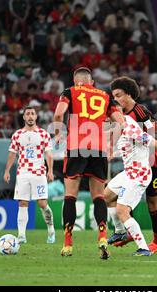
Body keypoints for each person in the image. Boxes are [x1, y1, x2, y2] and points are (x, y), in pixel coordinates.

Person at [53, 67, 125, 259]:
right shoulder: (105, 95)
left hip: (77, 145)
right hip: (99, 148)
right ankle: (102, 237)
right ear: (91, 82)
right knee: (99, 196)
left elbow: (59, 114)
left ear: (77, 81)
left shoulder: (70, 92)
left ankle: (68, 244)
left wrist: (59, 133)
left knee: (70, 195)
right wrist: (111, 144)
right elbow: (121, 121)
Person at [104, 114, 157, 256]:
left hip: (139, 174)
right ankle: (120, 232)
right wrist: (114, 153)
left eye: (107, 118)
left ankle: (143, 248)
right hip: (129, 172)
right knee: (106, 197)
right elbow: (131, 147)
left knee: (122, 210)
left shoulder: (131, 129)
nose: (106, 121)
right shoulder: (124, 121)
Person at [106, 76, 157, 254]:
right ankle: (127, 232)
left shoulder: (140, 112)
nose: (116, 99)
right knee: (119, 197)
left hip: (156, 163)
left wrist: (144, 149)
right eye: (114, 96)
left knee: (152, 204)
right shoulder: (122, 117)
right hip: (138, 166)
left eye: (118, 95)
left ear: (128, 95)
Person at [4, 106, 56, 244]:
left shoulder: (43, 134)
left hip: (39, 173)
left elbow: (49, 154)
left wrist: (50, 170)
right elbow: (12, 154)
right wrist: (7, 170)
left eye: (33, 114)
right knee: (22, 202)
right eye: (28, 114)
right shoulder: (17, 135)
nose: (30, 116)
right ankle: (21, 235)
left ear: (36, 117)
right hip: (22, 173)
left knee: (42, 203)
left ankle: (51, 229)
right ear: (24, 117)